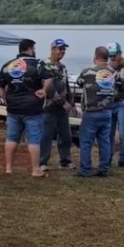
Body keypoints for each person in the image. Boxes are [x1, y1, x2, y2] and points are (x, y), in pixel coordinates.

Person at [0, 38, 49, 178]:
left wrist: (6, 99)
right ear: (30, 49)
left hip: (13, 108)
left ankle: (8, 168)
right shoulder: (37, 64)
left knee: (11, 138)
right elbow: (49, 77)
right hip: (32, 108)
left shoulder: (8, 65)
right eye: (34, 48)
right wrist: (44, 90)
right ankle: (35, 169)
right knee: (34, 140)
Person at [76, 46, 116, 177]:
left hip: (91, 111)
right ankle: (104, 168)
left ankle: (85, 169)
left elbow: (79, 82)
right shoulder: (113, 72)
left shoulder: (88, 72)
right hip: (107, 111)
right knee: (104, 141)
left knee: (86, 142)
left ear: (95, 57)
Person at [40, 38, 75, 171]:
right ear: (53, 49)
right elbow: (48, 88)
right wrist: (62, 103)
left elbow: (66, 86)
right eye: (60, 49)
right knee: (46, 136)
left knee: (66, 135)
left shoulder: (63, 67)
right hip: (49, 107)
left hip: (63, 108)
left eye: (64, 49)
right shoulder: (45, 65)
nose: (62, 52)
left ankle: (65, 161)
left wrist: (71, 102)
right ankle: (42, 162)